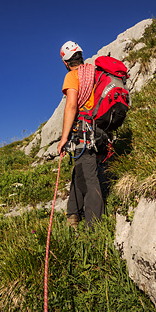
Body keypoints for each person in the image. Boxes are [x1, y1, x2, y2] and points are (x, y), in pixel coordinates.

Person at [57, 41, 105, 230]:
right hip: (100, 131)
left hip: (84, 132)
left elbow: (71, 105)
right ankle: (73, 216)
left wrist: (63, 138)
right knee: (80, 171)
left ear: (66, 62)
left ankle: (94, 230)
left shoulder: (72, 75)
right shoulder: (94, 73)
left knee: (89, 177)